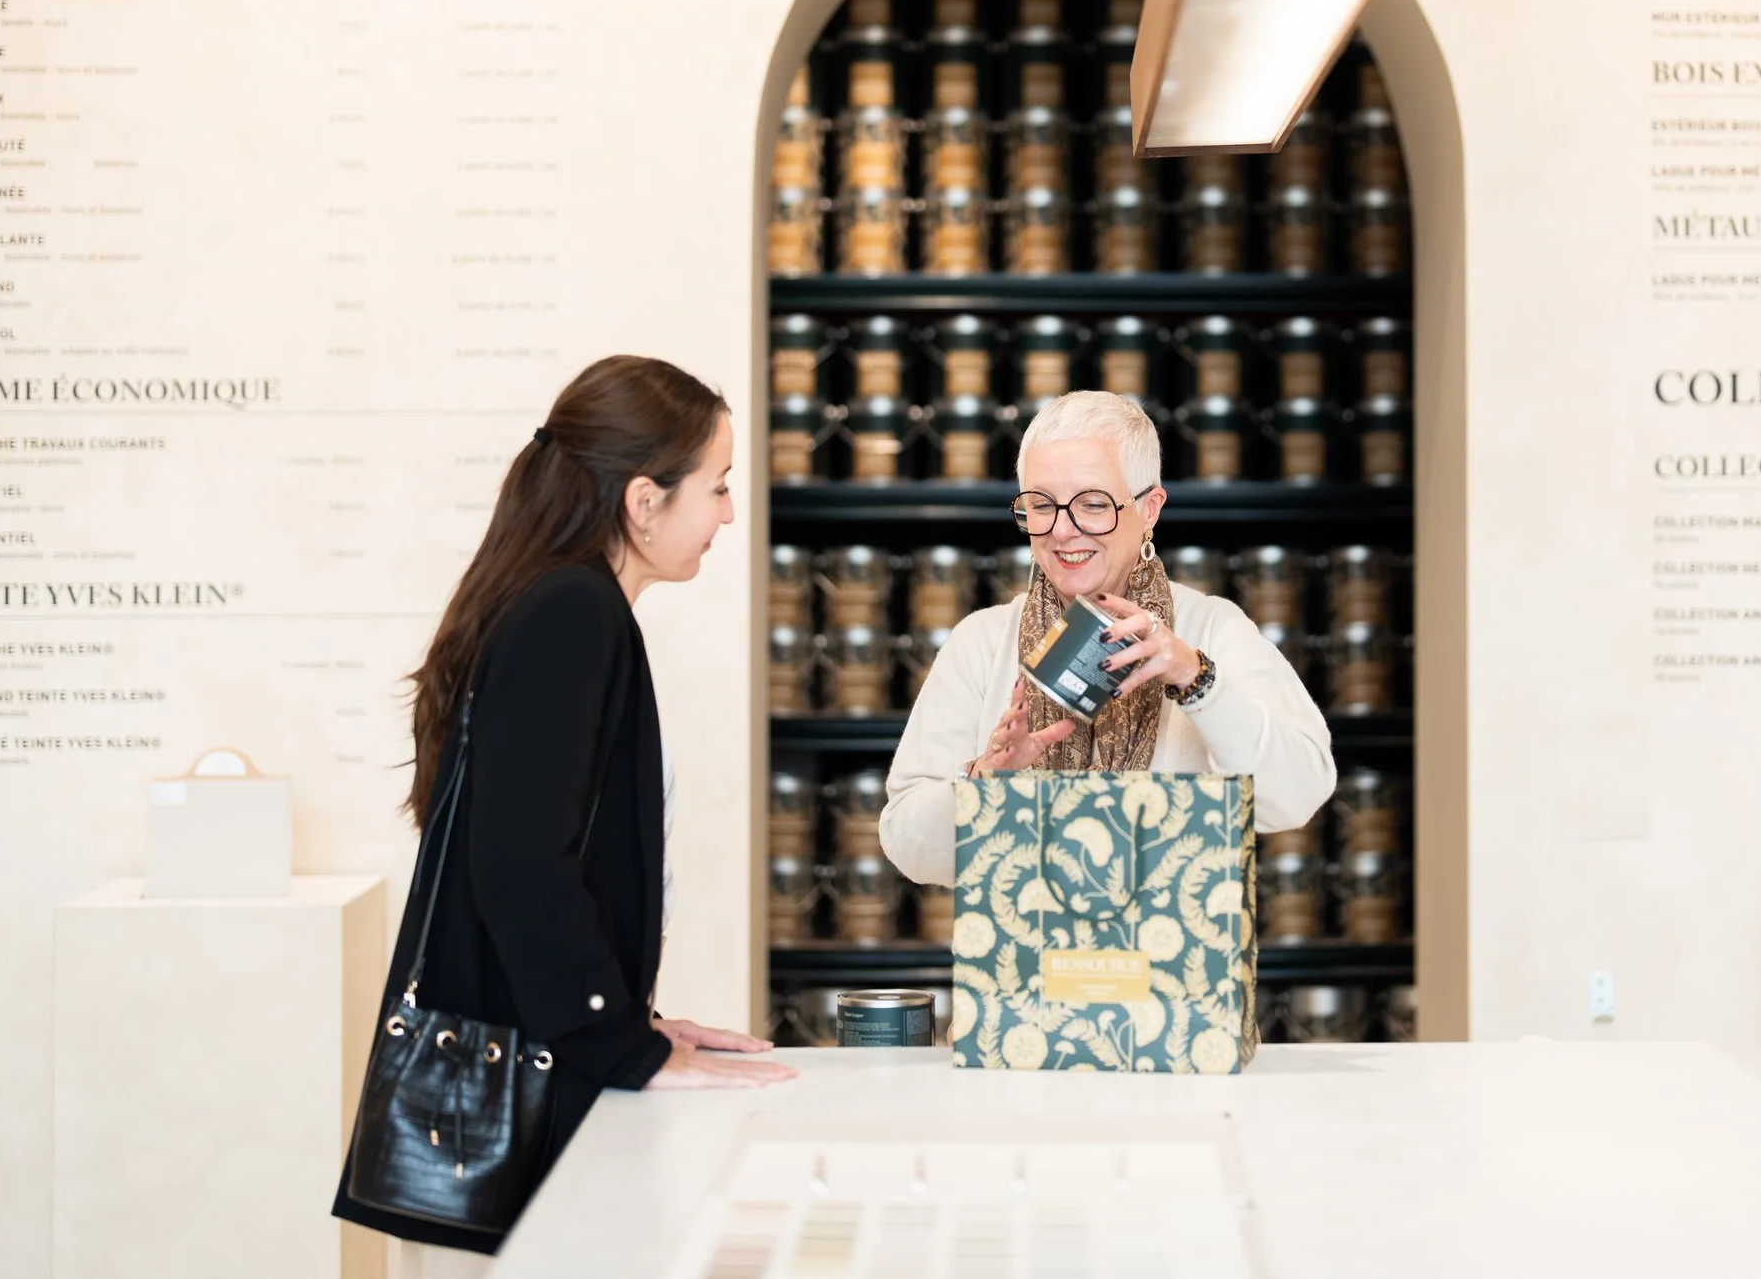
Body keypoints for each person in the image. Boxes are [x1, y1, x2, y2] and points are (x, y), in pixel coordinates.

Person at [334, 355, 793, 1272]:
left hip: (538, 1060)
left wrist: (635, 1021)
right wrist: (620, 1042)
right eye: (719, 485)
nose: (730, 513)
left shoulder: (557, 598)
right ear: (643, 500)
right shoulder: (572, 612)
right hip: (529, 1095)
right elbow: (520, 865)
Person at [882, 390, 1335, 886]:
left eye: (1094, 505)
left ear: (1149, 509)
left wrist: (1194, 677)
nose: (1062, 531)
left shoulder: (1211, 628)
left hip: (1172, 956)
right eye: (1041, 505)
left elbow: (1298, 795)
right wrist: (984, 781)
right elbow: (907, 844)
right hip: (1026, 955)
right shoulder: (982, 642)